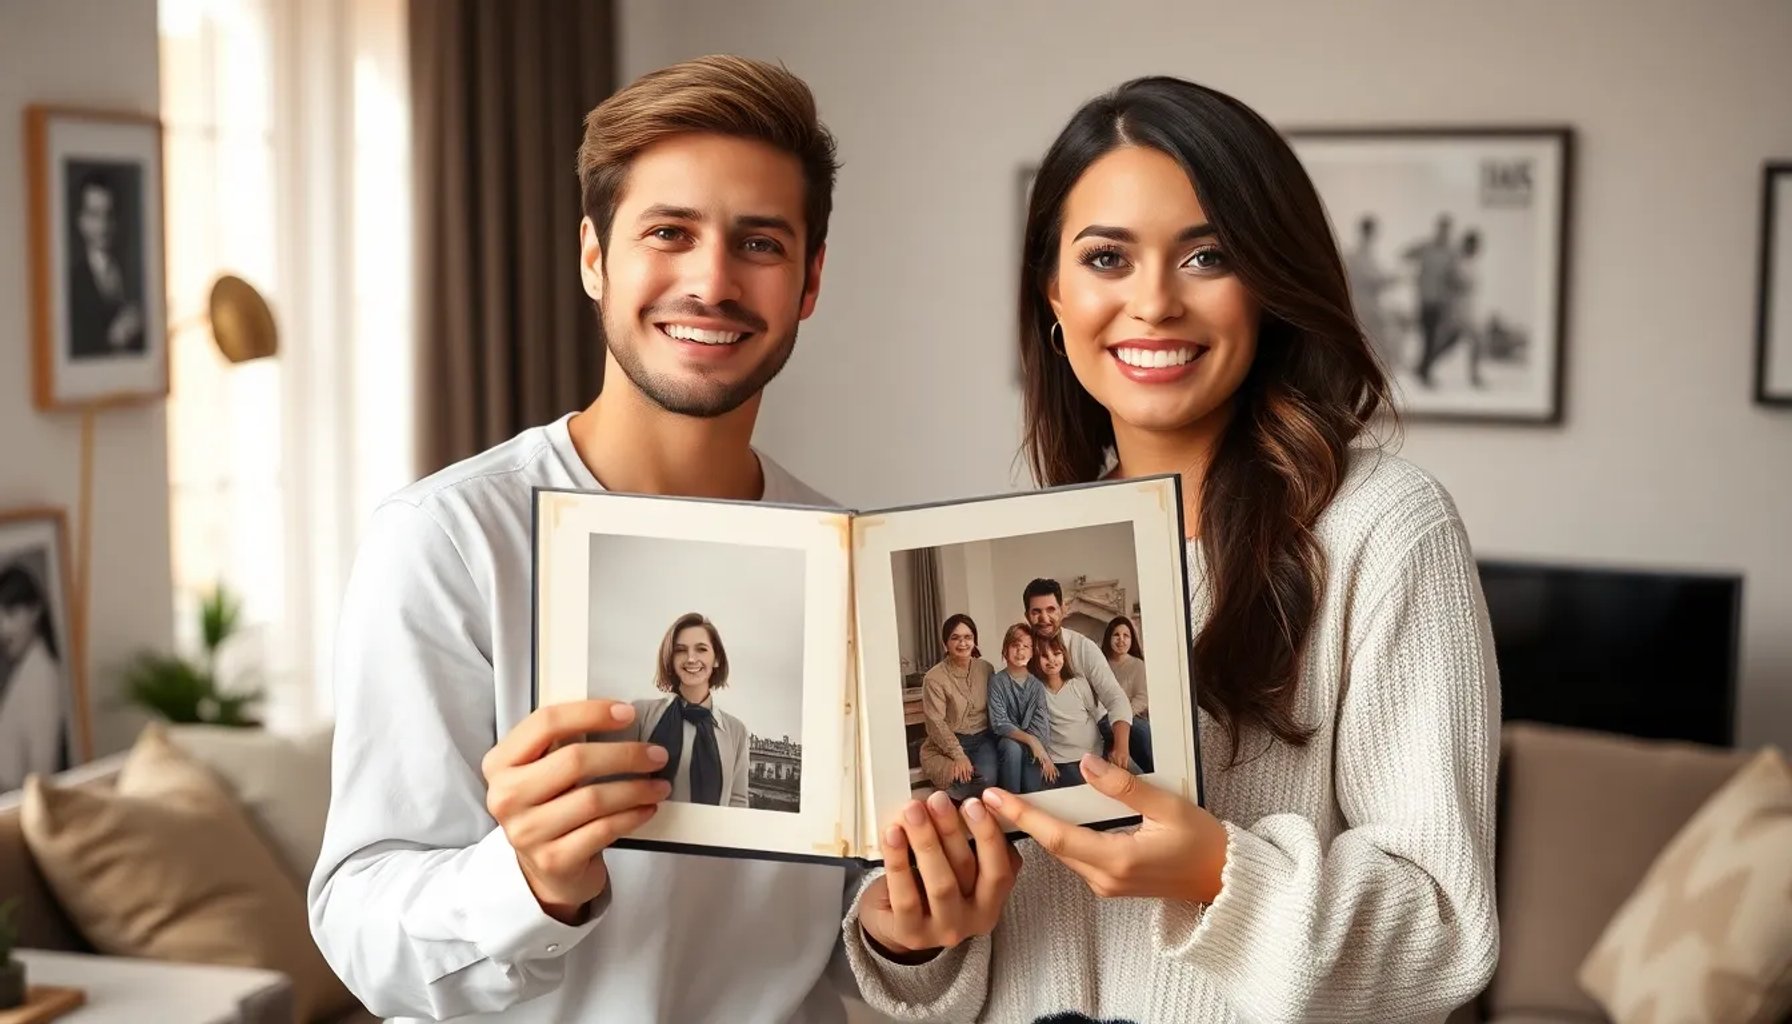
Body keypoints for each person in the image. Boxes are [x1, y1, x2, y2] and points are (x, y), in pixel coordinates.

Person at [843, 75, 1500, 1023]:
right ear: (1053, 292)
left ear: (1269, 284)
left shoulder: (1382, 527)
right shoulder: (1036, 530)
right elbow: (979, 964)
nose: (1153, 302)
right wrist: (912, 934)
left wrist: (1216, 873)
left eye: (1207, 256)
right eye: (1106, 258)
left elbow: (1443, 929)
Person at [308, 56, 859, 1023]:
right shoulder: (449, 542)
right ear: (595, 257)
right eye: (669, 233)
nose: (712, 280)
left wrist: (899, 931)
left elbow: (842, 929)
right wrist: (528, 881)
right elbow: (360, 925)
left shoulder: (845, 561)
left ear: (809, 281)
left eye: (759, 243)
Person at [606, 612, 750, 808]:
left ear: (716, 659)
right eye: (680, 650)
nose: (691, 658)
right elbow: (616, 786)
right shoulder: (640, 714)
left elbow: (738, 801)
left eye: (701, 649)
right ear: (670, 659)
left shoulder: (737, 731)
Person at [1021, 578, 1150, 773]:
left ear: (1063, 609)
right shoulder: (1023, 652)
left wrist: (1121, 748)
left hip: (1099, 722)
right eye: (1036, 611)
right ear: (1027, 616)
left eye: (1051, 609)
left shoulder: (1083, 646)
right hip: (1058, 738)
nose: (1044, 618)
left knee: (1142, 735)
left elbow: (1114, 695)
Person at [916, 614, 997, 800]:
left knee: (987, 778)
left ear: (975, 640)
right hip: (949, 741)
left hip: (982, 740)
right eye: (955, 638)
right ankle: (953, 802)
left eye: (968, 637)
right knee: (960, 775)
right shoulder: (934, 677)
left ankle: (953, 798)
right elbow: (936, 722)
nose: (962, 643)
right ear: (946, 643)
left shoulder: (986, 669)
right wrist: (958, 755)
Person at [66, 171, 146, 358]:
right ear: (81, 221)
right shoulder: (72, 281)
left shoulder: (136, 273)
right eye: (94, 215)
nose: (103, 225)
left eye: (109, 215)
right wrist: (113, 339)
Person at [0, 566, 64, 792]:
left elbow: (41, 776)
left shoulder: (42, 677)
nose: (2, 628)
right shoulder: (25, 670)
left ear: (35, 610)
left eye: (11, 614)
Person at [1028, 630, 1107, 789]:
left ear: (1064, 656)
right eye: (1044, 656)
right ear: (1036, 659)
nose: (1051, 660)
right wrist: (1045, 758)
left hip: (1090, 754)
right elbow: (1034, 728)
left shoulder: (1078, 684)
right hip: (1060, 759)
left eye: (1056, 654)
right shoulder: (1035, 690)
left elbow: (1099, 715)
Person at [984, 623, 1052, 792]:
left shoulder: (1036, 685)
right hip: (1007, 744)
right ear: (1005, 650)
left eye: (1026, 647)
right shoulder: (997, 682)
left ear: (1032, 652)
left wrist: (1036, 744)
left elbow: (1041, 725)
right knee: (1012, 747)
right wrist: (1031, 740)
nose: (1020, 651)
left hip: (1031, 747)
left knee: (1032, 789)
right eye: (1015, 645)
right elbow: (1000, 723)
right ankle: (1011, 800)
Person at [1100, 615, 1147, 719]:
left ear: (1131, 639)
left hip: (1130, 717)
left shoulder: (1138, 665)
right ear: (1109, 638)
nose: (1121, 639)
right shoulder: (1100, 664)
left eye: (1126, 635)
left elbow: (1142, 697)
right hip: (1103, 717)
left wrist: (1123, 716)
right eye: (1116, 635)